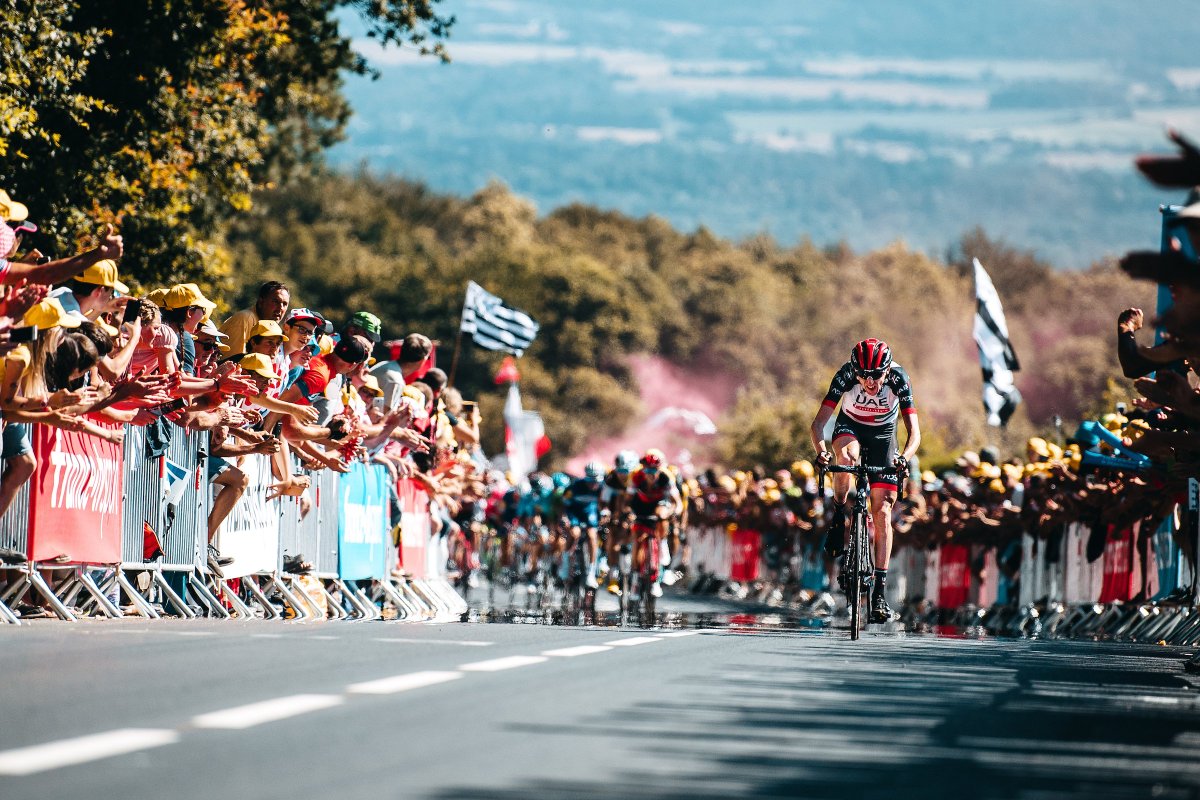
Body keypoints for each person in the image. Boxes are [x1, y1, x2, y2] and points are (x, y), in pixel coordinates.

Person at [809, 337, 921, 624]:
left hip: (884, 435)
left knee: (882, 510)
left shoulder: (899, 379)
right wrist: (821, 452)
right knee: (846, 458)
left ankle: (879, 592)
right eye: (863, 375)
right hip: (851, 426)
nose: (869, 382)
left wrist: (904, 457)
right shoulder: (846, 374)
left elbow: (914, 432)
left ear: (887, 370)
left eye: (876, 375)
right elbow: (818, 424)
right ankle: (838, 514)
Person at [219, 280, 290, 354]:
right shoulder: (245, 319)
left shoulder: (274, 328)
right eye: (275, 302)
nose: (280, 308)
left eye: (284, 304)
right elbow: (232, 359)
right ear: (261, 302)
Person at [371, 333, 433, 409]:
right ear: (423, 360)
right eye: (428, 357)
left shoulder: (385, 365)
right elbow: (385, 414)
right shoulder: (395, 381)